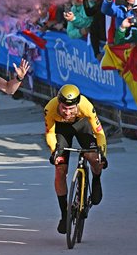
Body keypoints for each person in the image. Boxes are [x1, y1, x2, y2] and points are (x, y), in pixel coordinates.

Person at [44, 84, 107, 234]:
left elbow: (99, 134)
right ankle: (65, 214)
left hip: (82, 125)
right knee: (60, 170)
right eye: (64, 108)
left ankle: (96, 179)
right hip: (61, 130)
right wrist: (55, 153)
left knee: (94, 157)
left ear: (77, 104)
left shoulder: (86, 106)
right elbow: (50, 133)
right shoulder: (50, 108)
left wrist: (102, 155)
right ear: (58, 103)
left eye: (71, 109)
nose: (67, 112)